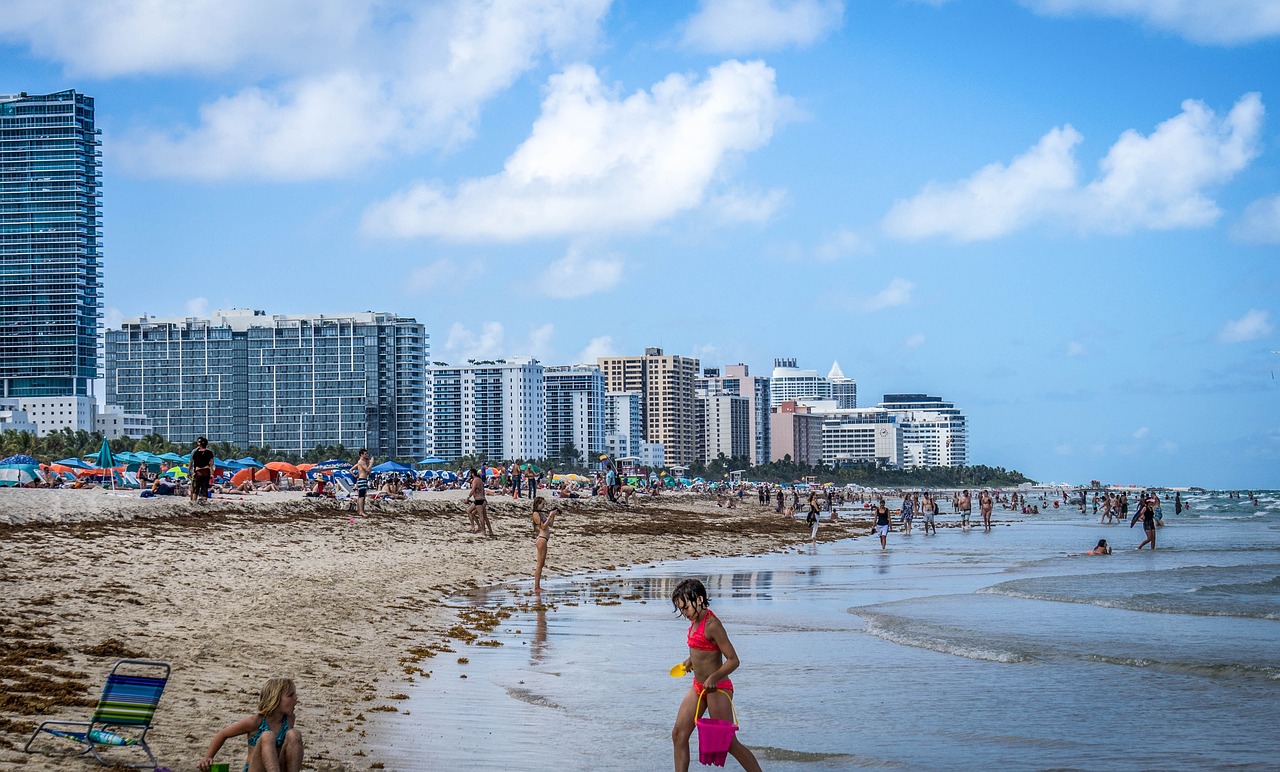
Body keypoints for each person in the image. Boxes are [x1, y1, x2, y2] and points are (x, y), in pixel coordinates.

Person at [670, 579, 762, 772]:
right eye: (681, 609)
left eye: (685, 607)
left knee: (728, 742)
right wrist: (689, 663)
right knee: (678, 734)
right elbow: (703, 650)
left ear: (700, 599)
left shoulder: (712, 625)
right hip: (698, 686)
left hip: (717, 689)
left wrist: (714, 677)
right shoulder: (695, 621)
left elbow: (733, 660)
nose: (684, 613)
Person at [199, 676, 302, 772]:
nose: (296, 698)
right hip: (256, 769)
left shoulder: (289, 719)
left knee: (294, 734)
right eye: (290, 695)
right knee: (268, 736)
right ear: (275, 699)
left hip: (279, 767)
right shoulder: (255, 721)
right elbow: (223, 734)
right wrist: (208, 757)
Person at [531, 497, 558, 593]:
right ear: (537, 504)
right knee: (539, 564)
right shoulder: (535, 514)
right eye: (542, 504)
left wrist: (553, 515)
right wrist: (550, 516)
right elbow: (542, 526)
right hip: (541, 539)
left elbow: (550, 524)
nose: (543, 506)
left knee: (541, 564)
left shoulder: (541, 513)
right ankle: (536, 586)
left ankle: (537, 586)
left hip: (544, 539)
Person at [467, 468, 494, 537]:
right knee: (470, 511)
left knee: (481, 516)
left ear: (472, 473)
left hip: (479, 500)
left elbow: (473, 490)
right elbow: (467, 481)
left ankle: (483, 531)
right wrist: (471, 477)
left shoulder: (475, 480)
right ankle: (487, 530)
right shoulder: (478, 480)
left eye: (470, 473)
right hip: (482, 500)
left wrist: (468, 497)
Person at [190, 437, 214, 504]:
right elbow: (211, 463)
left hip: (198, 471)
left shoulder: (195, 453)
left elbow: (193, 463)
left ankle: (194, 502)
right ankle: (204, 503)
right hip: (206, 471)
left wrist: (191, 472)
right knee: (204, 487)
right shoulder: (209, 452)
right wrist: (211, 471)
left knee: (196, 488)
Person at [351, 449, 372, 517]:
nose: (367, 455)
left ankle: (360, 511)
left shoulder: (361, 462)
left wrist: (356, 475)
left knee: (361, 496)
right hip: (362, 479)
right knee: (361, 497)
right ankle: (361, 512)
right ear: (361, 455)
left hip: (362, 479)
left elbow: (351, 470)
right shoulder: (362, 462)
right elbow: (367, 470)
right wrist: (371, 463)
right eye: (365, 454)